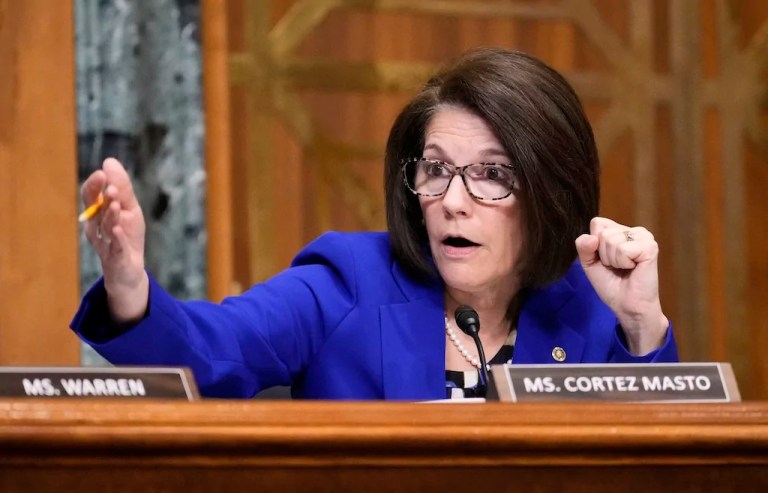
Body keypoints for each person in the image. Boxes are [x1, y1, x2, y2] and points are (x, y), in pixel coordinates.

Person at [71, 47, 678, 400]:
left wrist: (641, 324)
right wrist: (129, 287)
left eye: (492, 175)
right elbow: (215, 352)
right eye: (436, 169)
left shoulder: (591, 313)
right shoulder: (349, 283)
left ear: (551, 191)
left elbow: (664, 481)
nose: (453, 201)